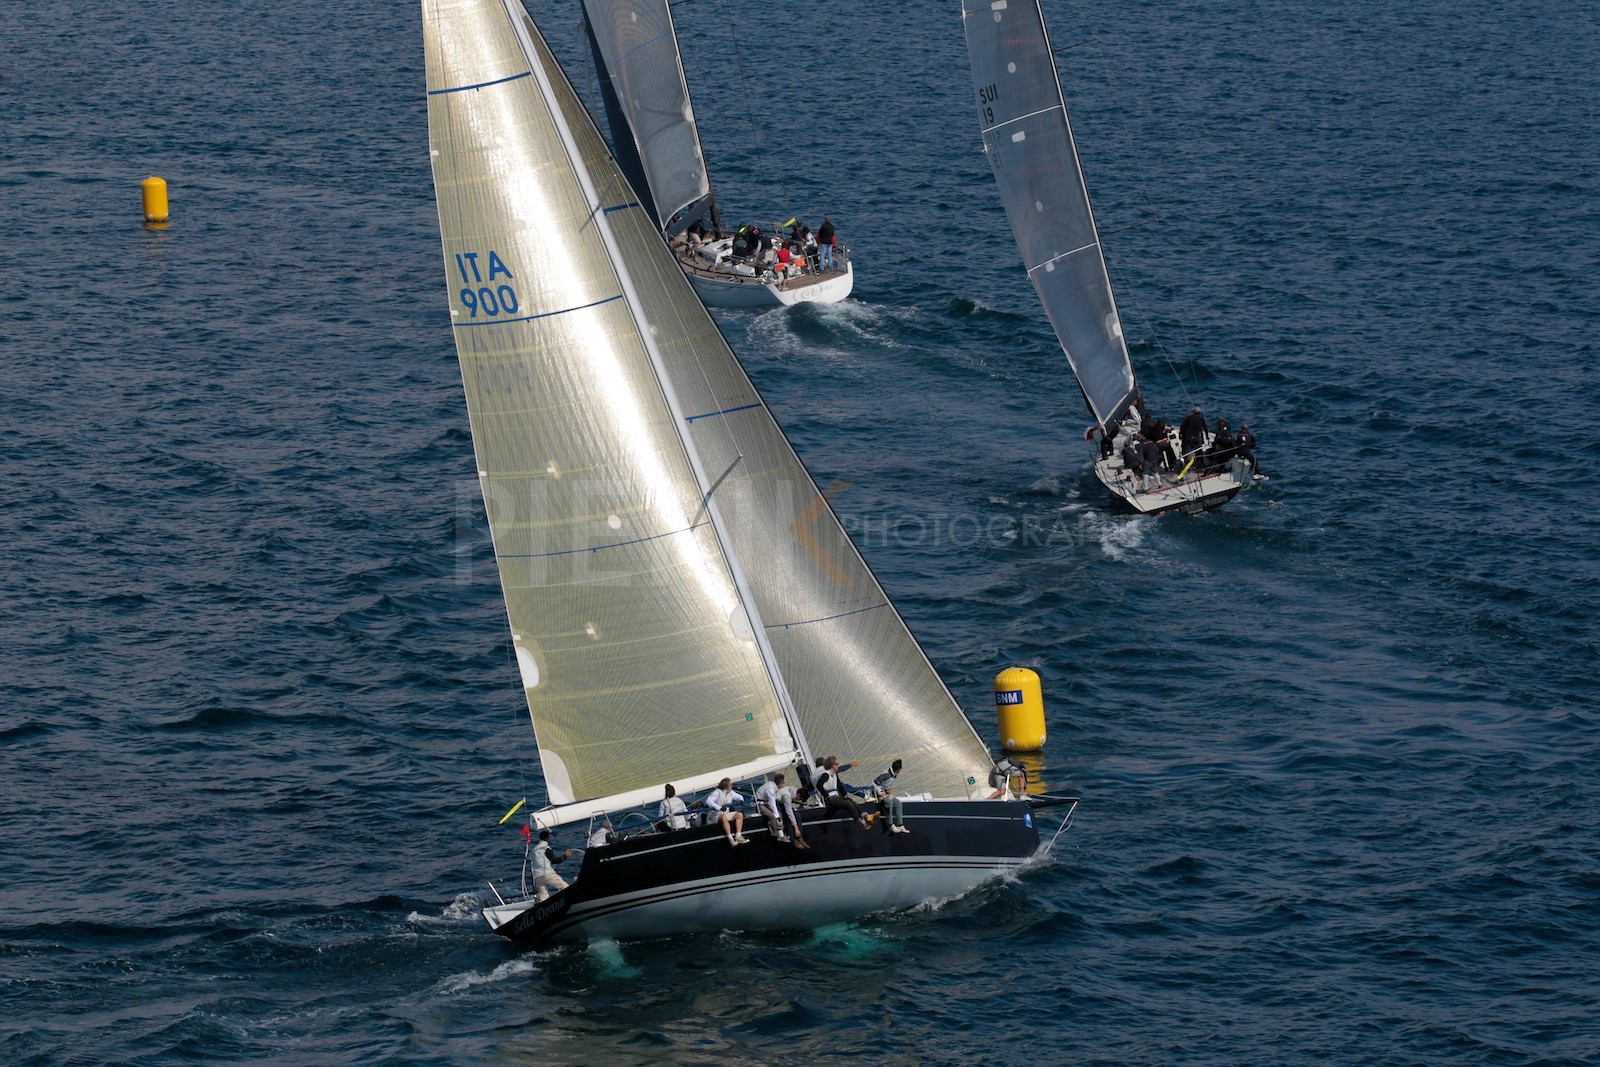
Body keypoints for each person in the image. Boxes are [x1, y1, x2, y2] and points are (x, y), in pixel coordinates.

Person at [816, 757, 869, 828]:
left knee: (852, 801)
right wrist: (826, 796)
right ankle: (862, 823)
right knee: (848, 804)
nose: (838, 766)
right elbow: (819, 785)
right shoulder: (826, 774)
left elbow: (840, 785)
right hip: (831, 798)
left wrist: (845, 795)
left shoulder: (835, 775)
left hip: (837, 796)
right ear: (832, 765)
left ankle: (866, 816)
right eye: (837, 764)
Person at [530, 828, 573, 901]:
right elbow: (555, 860)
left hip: (538, 876)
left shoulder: (534, 850)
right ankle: (572, 900)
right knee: (565, 887)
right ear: (547, 838)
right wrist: (565, 856)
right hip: (547, 874)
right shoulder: (546, 848)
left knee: (543, 897)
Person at [705, 777, 749, 846]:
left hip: (726, 813)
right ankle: (730, 838)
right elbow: (708, 801)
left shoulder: (731, 792)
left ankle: (738, 836)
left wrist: (741, 800)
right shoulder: (717, 792)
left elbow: (738, 796)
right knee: (723, 817)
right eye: (730, 785)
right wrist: (718, 807)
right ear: (726, 786)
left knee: (739, 815)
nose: (732, 786)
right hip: (715, 815)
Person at [873, 759, 909, 834]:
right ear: (898, 769)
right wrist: (880, 792)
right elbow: (875, 782)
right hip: (879, 793)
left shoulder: (894, 774)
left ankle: (900, 825)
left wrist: (888, 789)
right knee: (889, 803)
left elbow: (886, 784)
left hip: (886, 792)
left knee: (898, 804)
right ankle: (891, 825)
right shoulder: (886, 774)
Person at [775, 775, 808, 848]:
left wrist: (801, 804)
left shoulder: (794, 790)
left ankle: (800, 838)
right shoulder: (786, 796)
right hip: (778, 804)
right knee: (788, 818)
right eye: (800, 798)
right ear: (798, 795)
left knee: (798, 816)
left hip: (784, 803)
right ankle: (793, 840)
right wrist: (796, 828)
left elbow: (794, 799)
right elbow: (789, 812)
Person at [756, 775, 789, 842]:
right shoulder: (770, 789)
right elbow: (772, 804)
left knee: (779, 812)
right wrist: (777, 817)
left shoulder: (772, 785)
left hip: (765, 802)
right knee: (772, 816)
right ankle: (776, 835)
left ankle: (781, 834)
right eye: (783, 783)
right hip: (758, 804)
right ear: (780, 783)